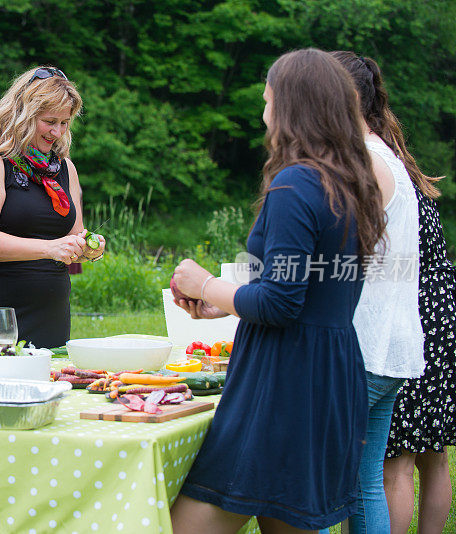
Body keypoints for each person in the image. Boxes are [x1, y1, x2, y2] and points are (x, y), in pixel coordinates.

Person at [170, 48, 386, 533]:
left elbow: (280, 303)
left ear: (290, 108)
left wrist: (204, 283)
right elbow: (311, 285)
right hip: (328, 372)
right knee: (287, 519)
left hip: (285, 380)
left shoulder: (295, 185)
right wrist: (220, 301)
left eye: (267, 101)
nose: (263, 113)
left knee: (188, 524)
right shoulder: (350, 186)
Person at [332, 53, 454, 534]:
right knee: (373, 478)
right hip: (402, 339)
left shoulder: (363, 161)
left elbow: (340, 260)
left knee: (341, 480)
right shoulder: (390, 156)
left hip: (369, 340)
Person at [0, 66, 105, 348]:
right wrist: (49, 248)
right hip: (1, 315)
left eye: (65, 123)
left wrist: (89, 248)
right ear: (24, 115)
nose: (57, 131)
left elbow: (74, 238)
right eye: (49, 121)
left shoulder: (65, 168)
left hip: (53, 316)